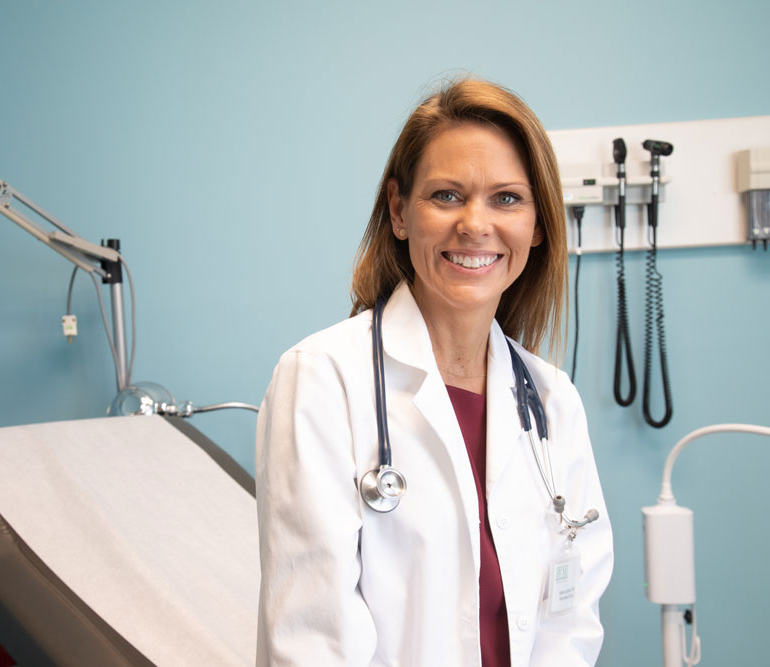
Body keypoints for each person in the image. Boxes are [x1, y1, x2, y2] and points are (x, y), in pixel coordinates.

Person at [255, 79, 614, 666]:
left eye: (507, 199)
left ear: (539, 225)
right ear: (399, 211)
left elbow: (572, 618)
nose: (475, 225)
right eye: (447, 196)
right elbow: (312, 637)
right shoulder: (322, 379)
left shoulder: (551, 400)